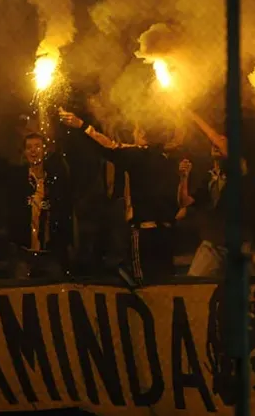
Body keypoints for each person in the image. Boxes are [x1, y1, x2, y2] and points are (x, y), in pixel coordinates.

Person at [60, 109, 185, 285]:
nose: (132, 133)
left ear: (142, 134)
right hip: (167, 233)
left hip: (144, 233)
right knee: (166, 283)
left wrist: (81, 125)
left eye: (135, 130)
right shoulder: (167, 159)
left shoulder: (138, 155)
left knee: (144, 286)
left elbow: (108, 147)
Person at [0, 119, 74, 280]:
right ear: (24, 153)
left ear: (45, 151)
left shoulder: (56, 180)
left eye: (37, 147)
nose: (33, 151)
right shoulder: (18, 177)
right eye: (29, 148)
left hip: (51, 255)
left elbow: (66, 210)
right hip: (24, 255)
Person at [179, 111, 250, 278]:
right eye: (214, 142)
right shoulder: (208, 178)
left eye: (222, 141)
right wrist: (183, 178)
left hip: (237, 244)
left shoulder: (239, 168)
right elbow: (185, 202)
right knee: (193, 282)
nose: (216, 143)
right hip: (212, 243)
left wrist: (193, 114)